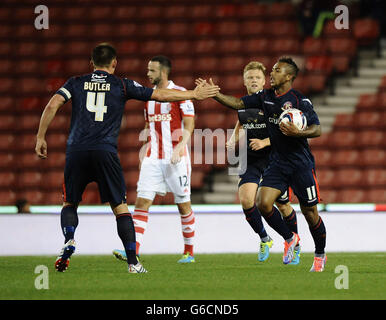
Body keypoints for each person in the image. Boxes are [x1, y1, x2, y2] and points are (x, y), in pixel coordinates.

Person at [34, 43, 220, 273]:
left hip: (77, 150)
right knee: (121, 206)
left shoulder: (75, 82)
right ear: (114, 63)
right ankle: (133, 261)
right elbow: (159, 95)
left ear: (91, 63)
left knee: (70, 202)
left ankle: (69, 239)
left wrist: (41, 137)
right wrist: (194, 93)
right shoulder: (122, 84)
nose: (148, 73)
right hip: (107, 151)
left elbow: (53, 104)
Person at [198, 57, 327, 272]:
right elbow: (238, 104)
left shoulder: (299, 101)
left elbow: (317, 129)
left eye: (276, 70)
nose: (271, 74)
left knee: (310, 213)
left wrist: (299, 132)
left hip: (300, 164)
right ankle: (290, 237)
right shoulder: (265, 96)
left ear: (288, 76)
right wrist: (215, 94)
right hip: (277, 163)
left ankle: (320, 253)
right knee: (263, 203)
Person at [113, 56, 196, 264]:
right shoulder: (149, 97)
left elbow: (189, 126)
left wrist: (179, 146)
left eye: (151, 71)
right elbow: (149, 127)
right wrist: (145, 148)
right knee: (142, 202)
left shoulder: (180, 94)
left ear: (163, 72)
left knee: (183, 205)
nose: (148, 74)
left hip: (177, 159)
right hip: (153, 158)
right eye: (148, 70)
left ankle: (189, 252)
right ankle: (134, 251)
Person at [225, 61, 300, 263]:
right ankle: (265, 238)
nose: (254, 81)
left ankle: (293, 243)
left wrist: (265, 141)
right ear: (244, 81)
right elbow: (242, 120)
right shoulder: (244, 102)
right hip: (252, 158)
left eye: (258, 77)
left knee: (283, 205)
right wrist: (233, 137)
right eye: (250, 77)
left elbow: (282, 128)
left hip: (275, 157)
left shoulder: (269, 100)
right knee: (246, 200)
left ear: (264, 80)